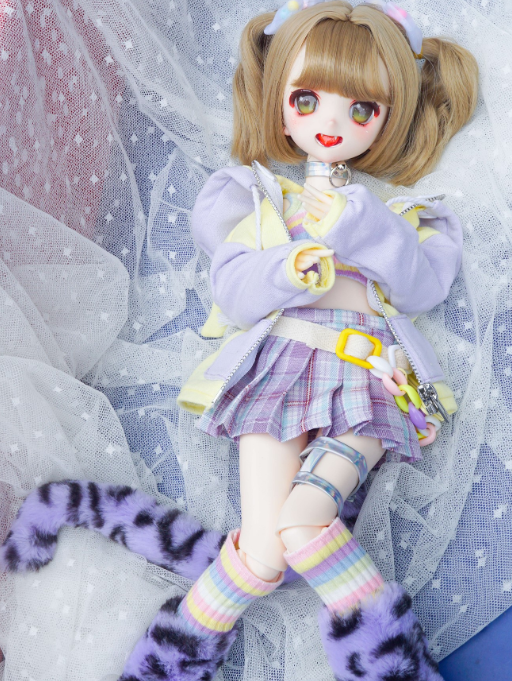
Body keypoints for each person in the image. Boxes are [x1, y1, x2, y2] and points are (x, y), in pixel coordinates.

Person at [0, 2, 478, 680]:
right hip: (277, 372)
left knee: (305, 523)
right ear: (278, 99)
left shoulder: (404, 216)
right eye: (307, 100)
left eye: (362, 109)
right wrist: (285, 268)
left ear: (390, 115)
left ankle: (396, 668)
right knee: (262, 553)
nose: (331, 123)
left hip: (371, 378)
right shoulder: (255, 200)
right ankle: (161, 667)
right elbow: (233, 292)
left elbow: (421, 287)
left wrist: (363, 224)